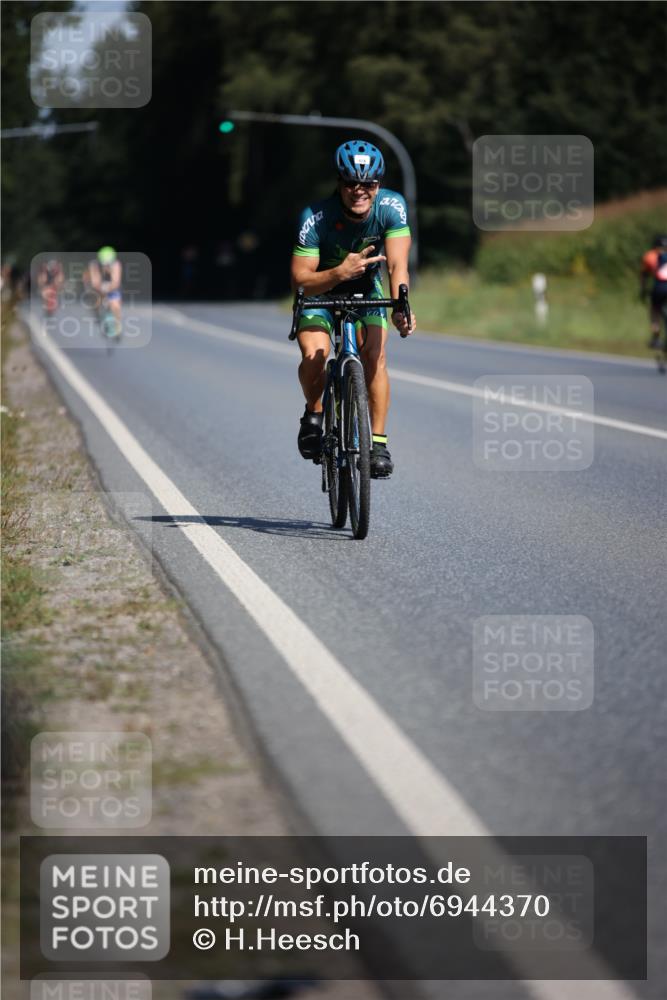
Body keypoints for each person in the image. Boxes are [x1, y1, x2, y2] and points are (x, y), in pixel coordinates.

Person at [290, 139, 416, 479]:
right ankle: (314, 412)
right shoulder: (316, 216)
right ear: (339, 182)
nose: (359, 191)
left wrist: (401, 304)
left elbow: (397, 266)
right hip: (320, 287)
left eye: (369, 184)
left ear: (379, 184)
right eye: (351, 183)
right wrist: (338, 273)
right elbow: (301, 280)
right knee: (315, 356)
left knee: (374, 354)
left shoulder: (391, 206)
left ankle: (377, 443)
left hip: (365, 288)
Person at [640, 234, 667, 348]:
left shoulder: (650, 256)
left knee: (654, 311)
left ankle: (656, 338)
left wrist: (643, 290)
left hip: (659, 287)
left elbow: (645, 274)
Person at [89, 246, 122, 334]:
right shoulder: (94, 265)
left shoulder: (116, 264)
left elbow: (116, 281)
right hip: (99, 286)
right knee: (96, 301)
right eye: (104, 264)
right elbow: (94, 281)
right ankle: (97, 314)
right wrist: (100, 289)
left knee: (116, 306)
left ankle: (117, 326)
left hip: (112, 287)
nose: (106, 266)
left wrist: (109, 288)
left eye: (108, 264)